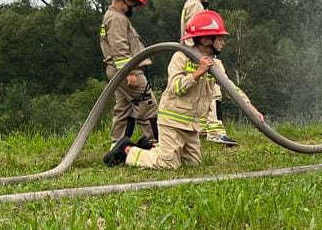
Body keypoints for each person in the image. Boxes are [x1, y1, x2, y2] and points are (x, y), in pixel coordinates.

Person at [104, 10, 264, 169]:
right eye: (220, 38)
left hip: (191, 125)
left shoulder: (216, 65)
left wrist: (251, 110)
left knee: (192, 164)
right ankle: (128, 151)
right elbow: (177, 88)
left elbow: (231, 89)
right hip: (172, 121)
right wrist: (198, 72)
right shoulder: (181, 58)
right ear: (206, 40)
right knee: (169, 164)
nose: (223, 43)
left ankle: (149, 148)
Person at [179, 0, 237, 146]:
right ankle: (215, 132)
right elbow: (198, 32)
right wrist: (202, 56)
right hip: (200, 54)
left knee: (206, 91)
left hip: (195, 54)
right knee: (213, 92)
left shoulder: (190, 4)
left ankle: (204, 129)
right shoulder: (195, 6)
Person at [99, 0, 158, 151]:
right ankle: (156, 144)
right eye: (136, 4)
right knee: (148, 104)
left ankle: (117, 145)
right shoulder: (116, 18)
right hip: (127, 71)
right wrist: (129, 71)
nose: (136, 8)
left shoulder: (112, 16)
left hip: (118, 70)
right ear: (128, 0)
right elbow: (119, 46)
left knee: (124, 108)